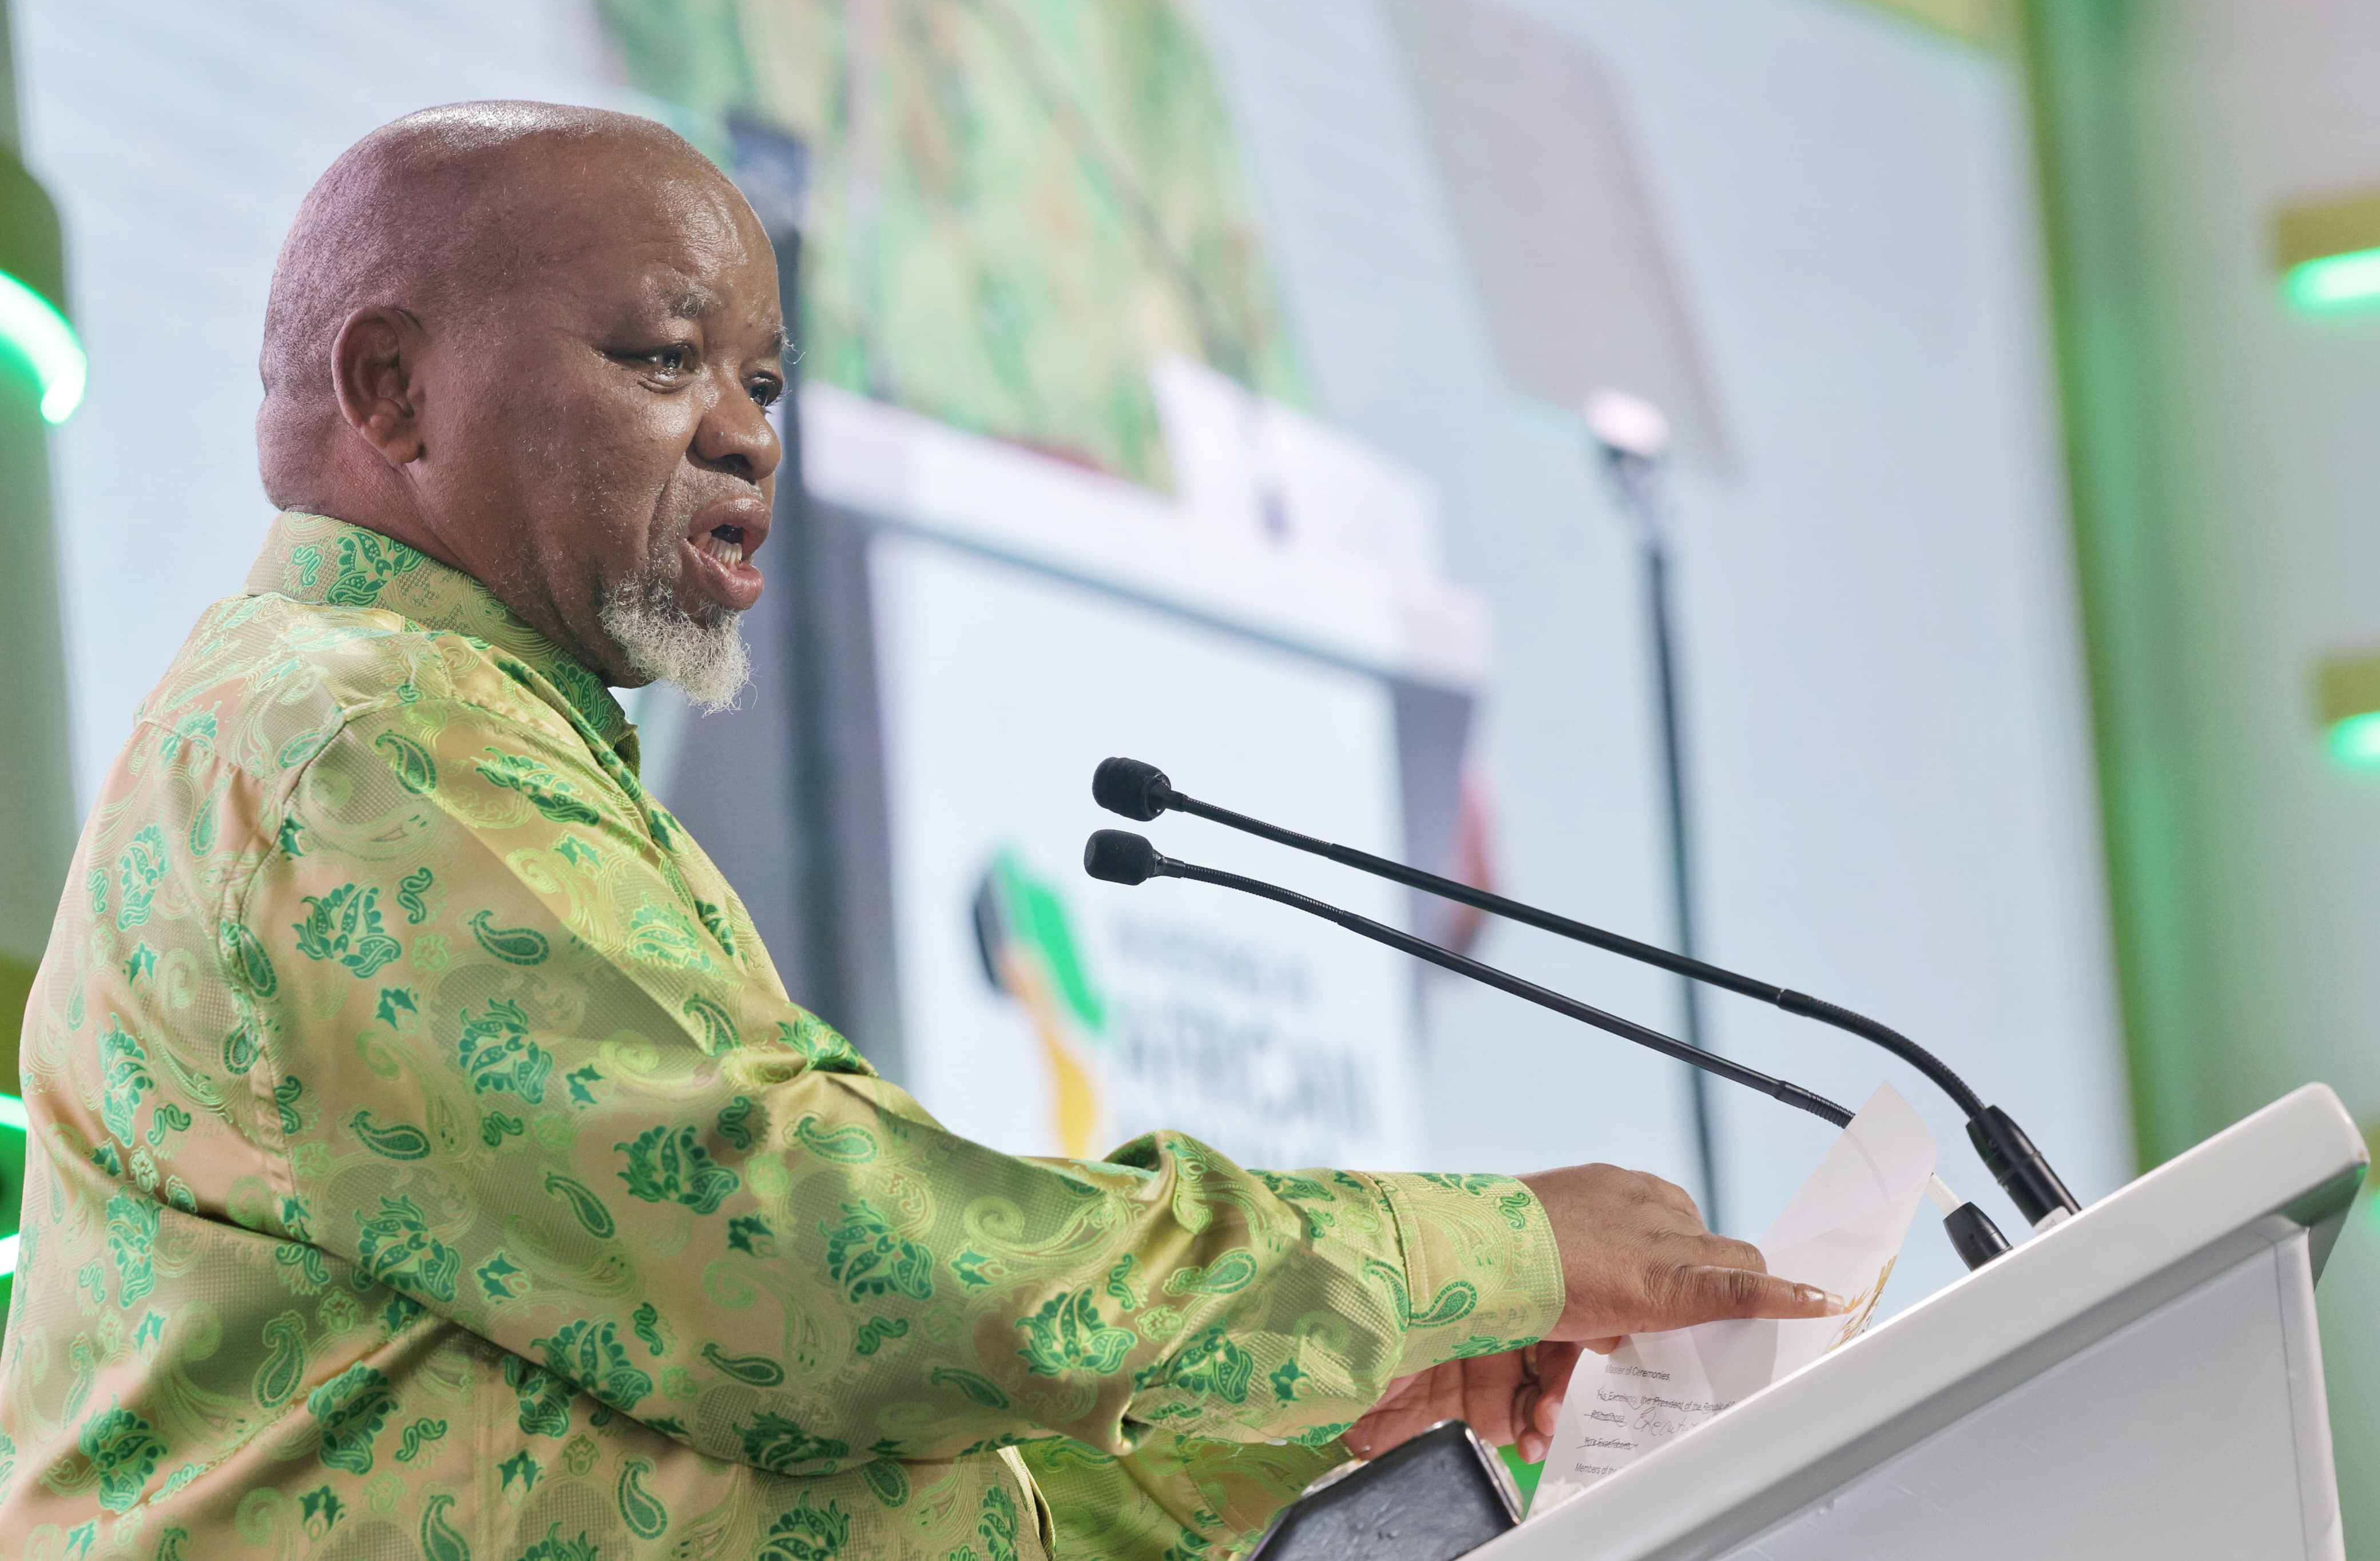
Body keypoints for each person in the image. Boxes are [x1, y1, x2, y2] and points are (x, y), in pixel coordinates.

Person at [0, 102, 1839, 1560]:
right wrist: (1473, 1255)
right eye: (662, 362)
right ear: (390, 389)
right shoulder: (362, 743)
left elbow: (757, 1441)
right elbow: (820, 1269)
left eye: (768, 382)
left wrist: (1311, 1416)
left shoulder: (447, 733)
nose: (744, 436)